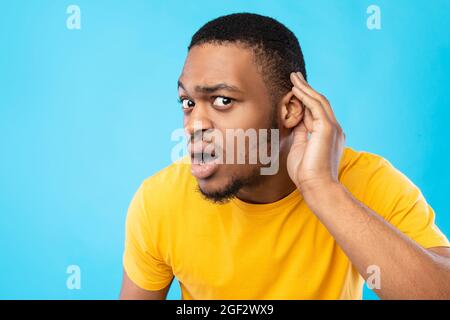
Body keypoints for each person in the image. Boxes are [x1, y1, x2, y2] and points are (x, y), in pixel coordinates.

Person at [119, 13, 450, 300]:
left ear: (290, 109)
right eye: (188, 102)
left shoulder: (366, 181)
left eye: (222, 101)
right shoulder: (159, 200)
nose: (194, 125)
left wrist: (322, 188)